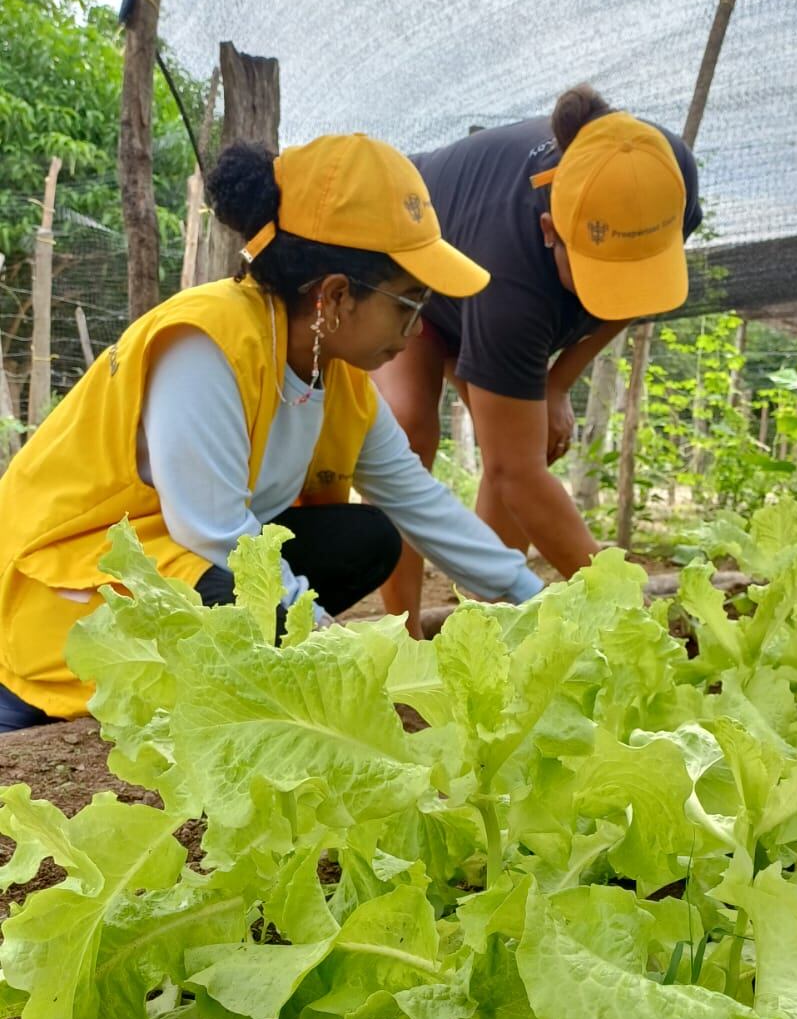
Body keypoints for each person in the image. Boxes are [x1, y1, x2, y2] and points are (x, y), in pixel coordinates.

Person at [0, 133, 544, 732]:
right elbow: (214, 532)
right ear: (335, 296)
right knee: (238, 591)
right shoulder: (207, 342)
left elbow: (421, 503)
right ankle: (47, 700)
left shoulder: (341, 381)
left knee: (368, 538)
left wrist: (535, 599)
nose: (418, 331)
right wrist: (338, 655)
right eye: (410, 305)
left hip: (180, 571)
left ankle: (239, 675)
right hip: (68, 589)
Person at [375, 84, 703, 634]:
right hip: (416, 257)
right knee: (411, 432)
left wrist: (557, 385)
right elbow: (514, 475)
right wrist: (629, 613)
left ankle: (488, 623)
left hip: (488, 271)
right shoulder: (512, 279)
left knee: (529, 443)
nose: (617, 292)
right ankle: (401, 638)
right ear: (552, 231)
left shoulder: (663, 177)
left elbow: (637, 295)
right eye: (601, 274)